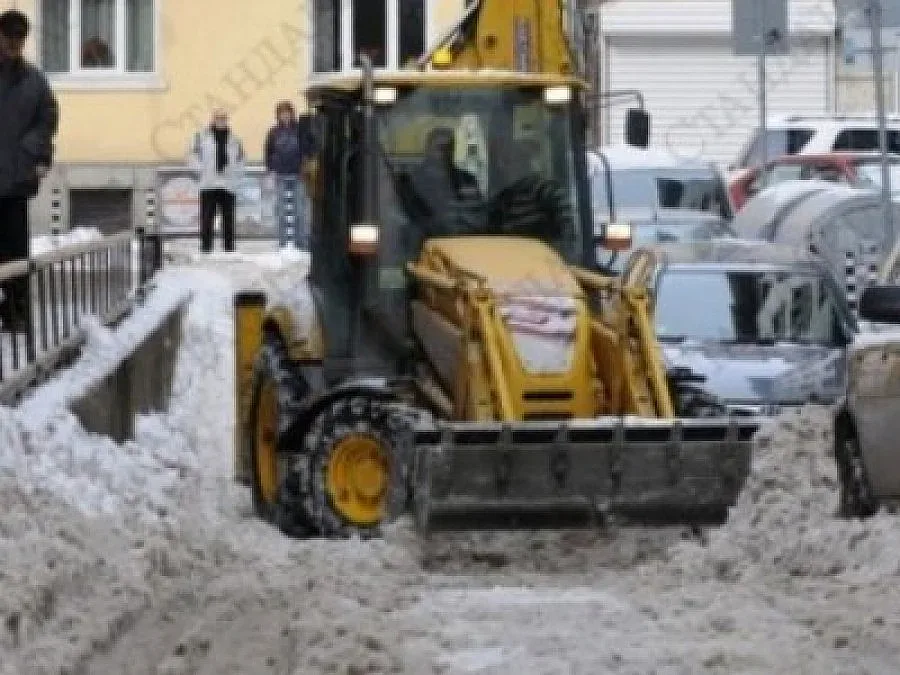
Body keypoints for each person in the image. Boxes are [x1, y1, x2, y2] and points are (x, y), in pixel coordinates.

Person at [0, 9, 58, 332]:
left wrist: (36, 152)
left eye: (18, 40)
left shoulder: (34, 81)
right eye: (8, 38)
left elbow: (47, 119)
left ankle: (17, 315)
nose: (13, 45)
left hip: (16, 181)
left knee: (16, 254)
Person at [405, 127, 481, 237]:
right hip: (423, 239)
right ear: (428, 149)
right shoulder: (411, 181)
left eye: (449, 148)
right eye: (440, 148)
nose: (445, 153)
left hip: (462, 236)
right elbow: (406, 216)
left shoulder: (467, 179)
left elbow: (477, 211)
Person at [188, 108, 245, 253]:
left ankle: (229, 247)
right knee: (207, 217)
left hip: (228, 183)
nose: (221, 121)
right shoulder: (201, 137)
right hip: (209, 182)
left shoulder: (235, 139)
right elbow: (192, 155)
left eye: (224, 118)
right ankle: (206, 247)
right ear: (212, 119)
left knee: (228, 218)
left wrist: (236, 174)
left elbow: (241, 159)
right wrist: (200, 170)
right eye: (218, 118)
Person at [264, 100, 316, 248]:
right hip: (280, 174)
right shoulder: (273, 132)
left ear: (292, 114)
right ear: (278, 116)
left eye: (288, 113)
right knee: (280, 211)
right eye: (282, 113)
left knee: (301, 211)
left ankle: (302, 243)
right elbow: (268, 152)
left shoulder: (301, 130)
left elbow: (310, 149)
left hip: (299, 174)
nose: (285, 116)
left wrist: (308, 165)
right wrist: (270, 170)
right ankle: (282, 243)